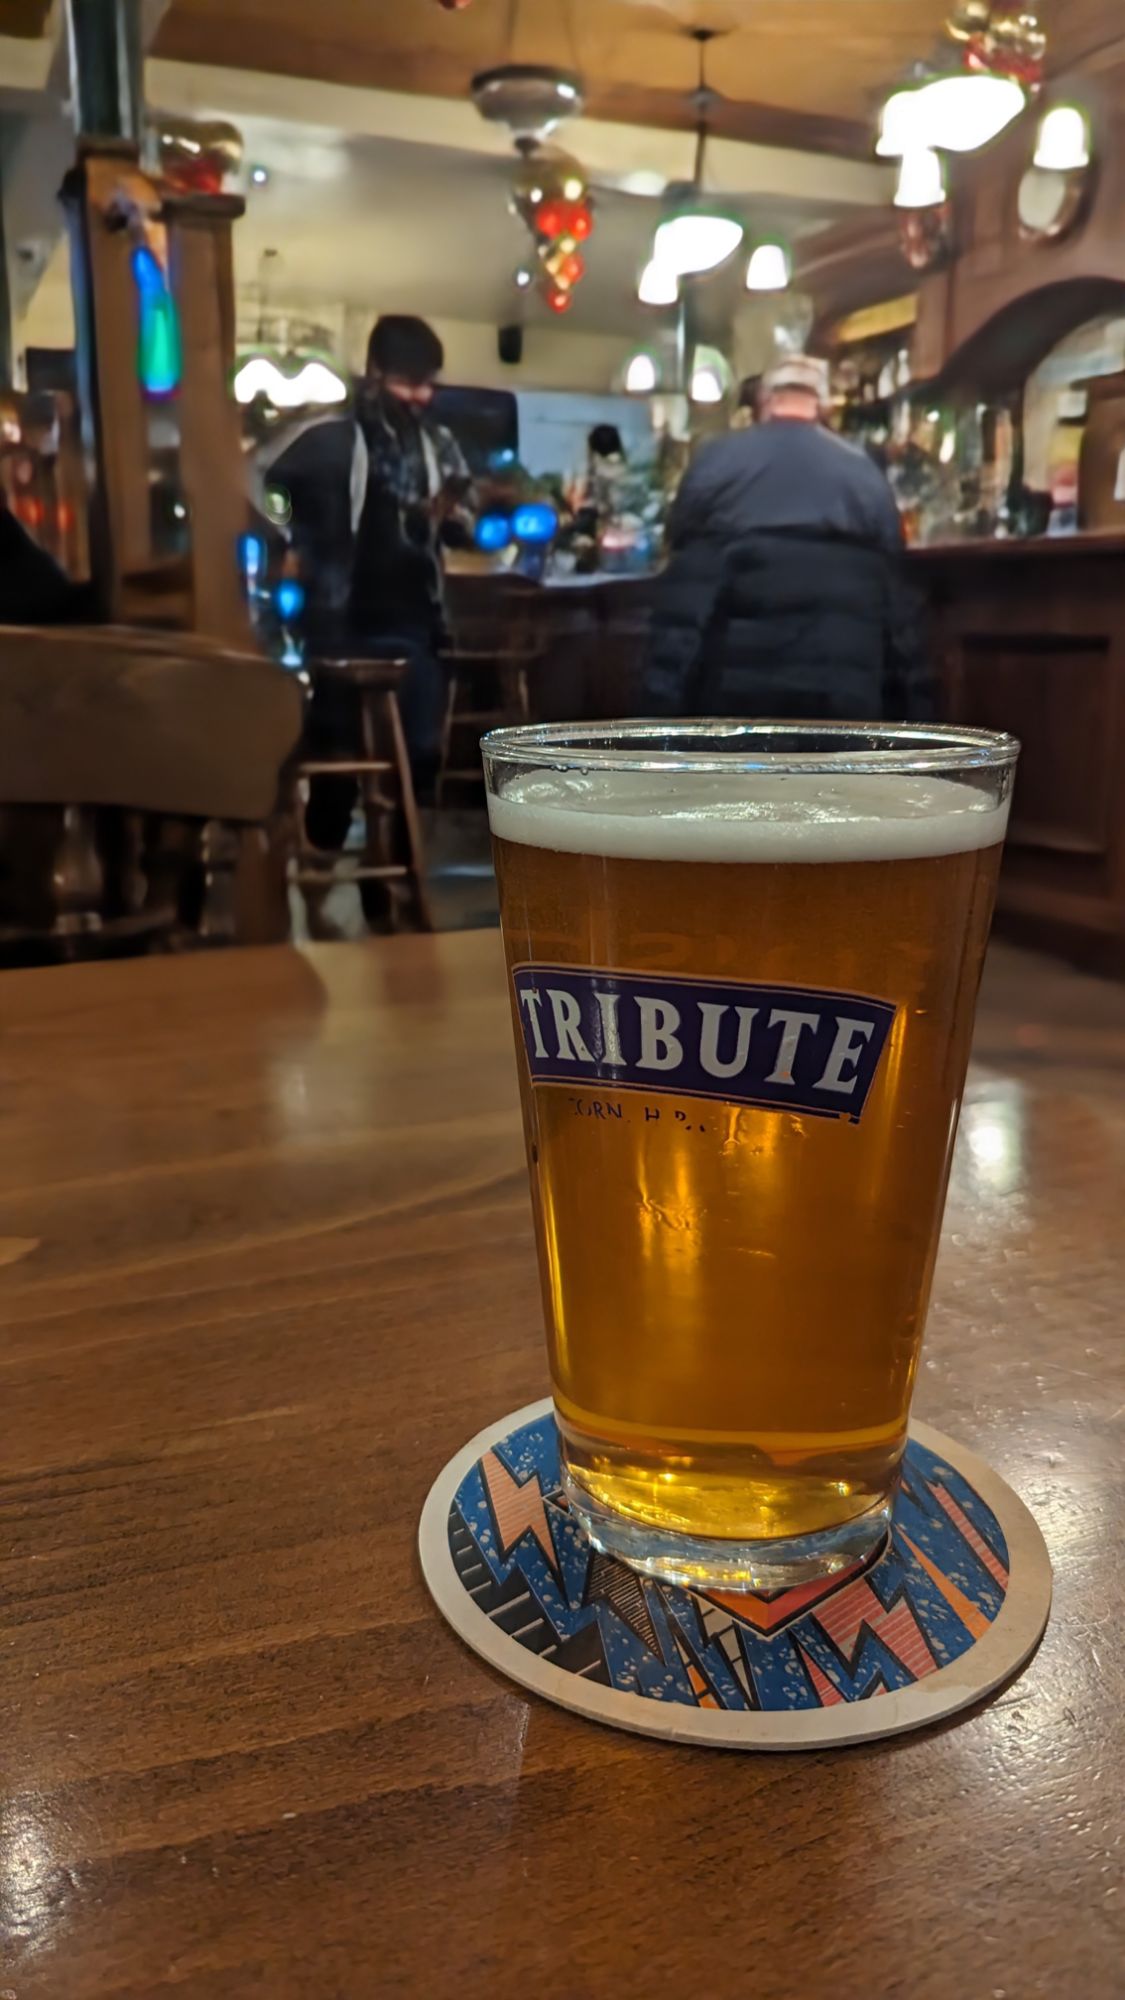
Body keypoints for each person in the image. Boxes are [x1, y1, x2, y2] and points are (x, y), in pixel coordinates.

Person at [645, 355, 931, 720]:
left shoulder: (715, 461)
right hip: (844, 688)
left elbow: (677, 543)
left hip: (733, 694)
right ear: (822, 407)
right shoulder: (864, 473)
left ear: (764, 401)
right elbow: (894, 562)